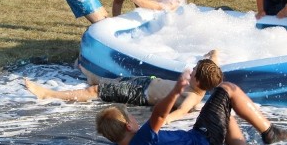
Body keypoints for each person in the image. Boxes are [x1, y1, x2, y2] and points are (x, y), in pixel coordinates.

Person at [95, 58, 287, 145]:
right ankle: (269, 132)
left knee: (222, 115)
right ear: (129, 127)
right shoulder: (142, 141)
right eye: (131, 118)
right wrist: (175, 91)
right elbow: (158, 114)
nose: (135, 119)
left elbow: (121, 135)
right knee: (228, 89)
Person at [24, 52, 219, 124]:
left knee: (96, 92)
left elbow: (181, 112)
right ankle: (89, 74)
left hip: (139, 93)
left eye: (194, 72)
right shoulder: (199, 84)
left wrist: (165, 120)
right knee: (105, 82)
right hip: (146, 82)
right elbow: (213, 58)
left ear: (199, 82)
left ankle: (48, 93)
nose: (190, 71)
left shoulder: (193, 97)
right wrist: (212, 56)